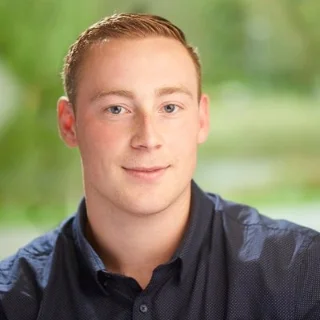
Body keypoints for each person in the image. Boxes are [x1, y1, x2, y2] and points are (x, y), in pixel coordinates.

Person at [0, 13, 319, 320]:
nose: (148, 138)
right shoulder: (12, 301)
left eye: (169, 107)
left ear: (201, 118)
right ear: (69, 124)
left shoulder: (302, 273)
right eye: (116, 108)